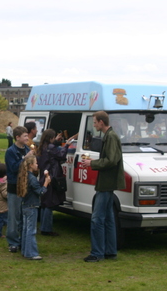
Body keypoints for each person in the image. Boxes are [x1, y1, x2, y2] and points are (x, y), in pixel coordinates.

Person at [81, 111, 125, 262]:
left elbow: (111, 160)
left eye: (94, 122)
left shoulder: (111, 137)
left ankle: (97, 253)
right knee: (108, 218)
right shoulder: (110, 136)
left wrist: (92, 163)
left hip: (106, 184)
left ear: (101, 122)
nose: (94, 125)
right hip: (107, 183)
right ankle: (110, 251)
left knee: (97, 219)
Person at [36, 128, 71, 236]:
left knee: (45, 203)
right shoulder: (51, 147)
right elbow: (61, 155)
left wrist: (56, 141)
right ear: (51, 138)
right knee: (49, 204)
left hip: (43, 176)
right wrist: (66, 146)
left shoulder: (42, 147)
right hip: (51, 176)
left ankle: (43, 227)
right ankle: (46, 229)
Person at [5, 126, 33, 253]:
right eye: (25, 136)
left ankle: (23, 239)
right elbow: (13, 168)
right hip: (14, 186)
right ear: (17, 137)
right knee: (14, 215)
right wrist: (25, 159)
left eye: (27, 136)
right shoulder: (11, 151)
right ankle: (13, 241)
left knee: (24, 214)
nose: (27, 138)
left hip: (26, 185)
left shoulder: (27, 149)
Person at [17, 154, 50, 260]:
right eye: (36, 163)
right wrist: (46, 183)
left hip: (25, 205)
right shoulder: (32, 179)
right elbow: (40, 192)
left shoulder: (24, 176)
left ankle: (25, 250)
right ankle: (31, 253)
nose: (37, 165)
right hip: (32, 206)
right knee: (31, 230)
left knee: (26, 229)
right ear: (31, 165)